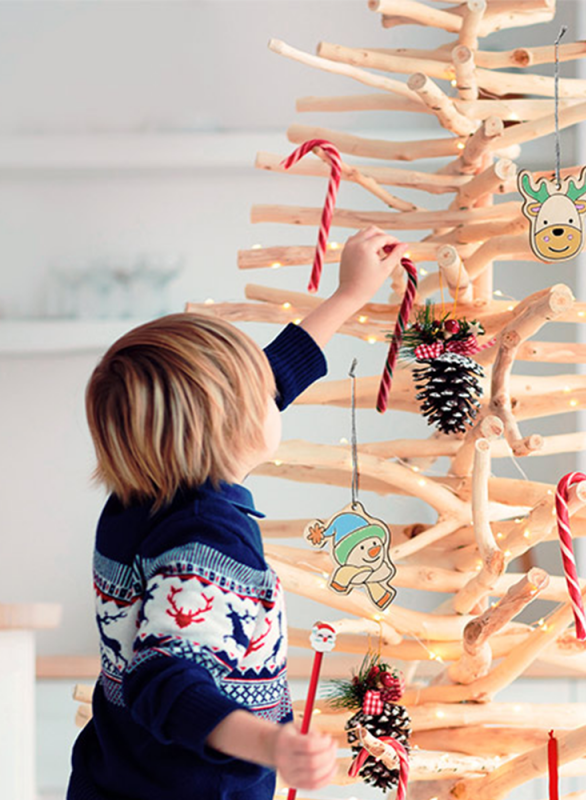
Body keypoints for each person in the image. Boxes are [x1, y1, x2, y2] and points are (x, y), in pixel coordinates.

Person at [67, 227, 407, 800]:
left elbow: (275, 375)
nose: (275, 394)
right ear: (231, 425)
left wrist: (349, 294)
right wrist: (270, 745)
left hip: (114, 778)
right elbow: (163, 681)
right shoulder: (206, 538)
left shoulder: (140, 492)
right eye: (261, 393)